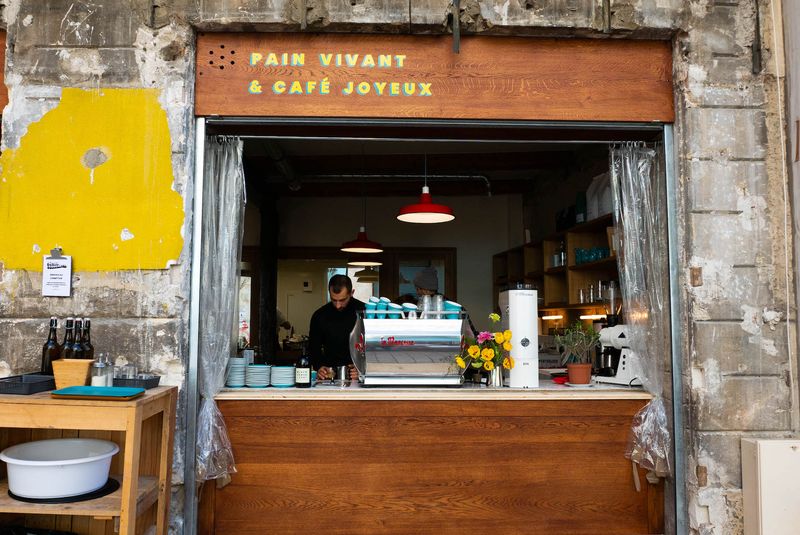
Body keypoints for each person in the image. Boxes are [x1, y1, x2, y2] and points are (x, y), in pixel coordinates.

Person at [308, 274, 365, 381]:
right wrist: (319, 366)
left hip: (359, 376)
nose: (338, 305)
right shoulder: (320, 315)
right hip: (330, 376)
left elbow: (375, 349)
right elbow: (313, 348)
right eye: (334, 300)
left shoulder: (364, 312)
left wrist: (364, 370)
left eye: (342, 300)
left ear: (351, 293)